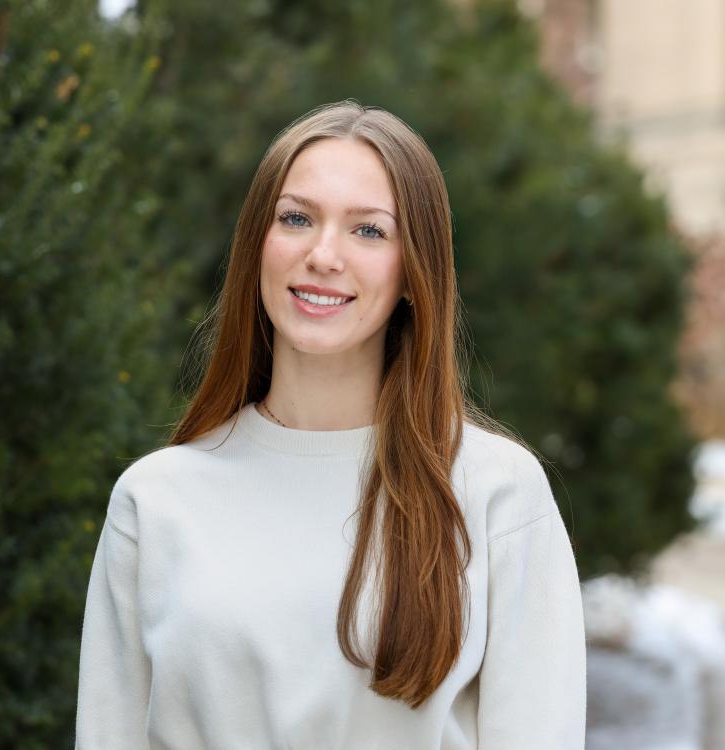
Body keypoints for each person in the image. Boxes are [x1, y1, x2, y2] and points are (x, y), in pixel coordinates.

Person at [74, 99, 587, 749]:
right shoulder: (155, 501)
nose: (323, 254)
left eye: (368, 230)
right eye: (297, 218)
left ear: (412, 271)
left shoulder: (497, 492)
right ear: (258, 245)